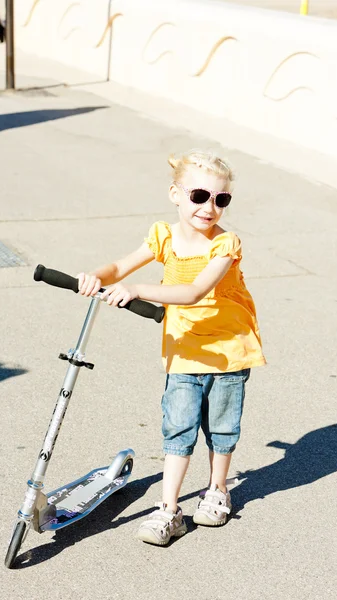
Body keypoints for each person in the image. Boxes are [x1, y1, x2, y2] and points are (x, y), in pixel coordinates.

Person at [78, 149, 266, 546]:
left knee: (221, 427)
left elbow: (195, 291)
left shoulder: (225, 245)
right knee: (178, 428)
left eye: (221, 199)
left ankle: (217, 490)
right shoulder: (164, 237)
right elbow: (118, 267)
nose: (210, 207)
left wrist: (137, 290)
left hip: (228, 350)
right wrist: (94, 277)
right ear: (176, 195)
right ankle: (169, 510)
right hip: (183, 351)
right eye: (200, 196)